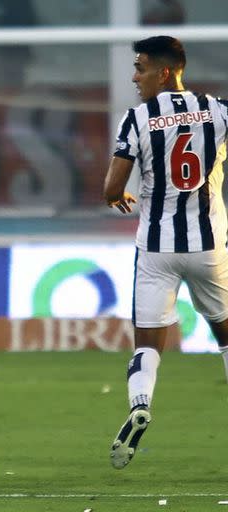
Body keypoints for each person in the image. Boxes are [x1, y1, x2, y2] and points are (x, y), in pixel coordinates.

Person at [103, 35, 228, 470]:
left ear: (164, 70)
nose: (135, 78)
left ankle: (140, 404)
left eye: (140, 68)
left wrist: (118, 196)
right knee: (226, 336)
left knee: (148, 343)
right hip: (208, 245)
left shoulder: (137, 118)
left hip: (156, 248)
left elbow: (111, 188)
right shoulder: (218, 110)